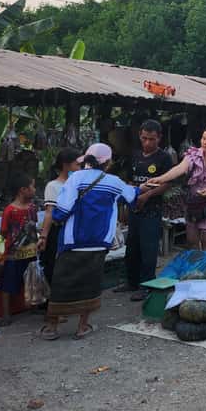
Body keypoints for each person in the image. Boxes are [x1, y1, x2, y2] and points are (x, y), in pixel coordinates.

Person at [39, 143, 139, 341]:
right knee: (90, 283)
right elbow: (132, 196)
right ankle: (82, 326)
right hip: (99, 241)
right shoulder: (114, 182)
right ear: (108, 163)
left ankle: (51, 328)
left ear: (86, 160)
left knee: (62, 282)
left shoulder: (75, 178)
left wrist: (56, 220)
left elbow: (62, 210)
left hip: (73, 240)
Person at [144, 126, 206, 251]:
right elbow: (179, 169)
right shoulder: (193, 155)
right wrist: (160, 179)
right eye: (203, 138)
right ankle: (195, 262)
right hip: (193, 202)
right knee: (191, 240)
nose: (205, 142)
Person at [114, 120, 173, 301]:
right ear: (140, 135)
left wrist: (147, 195)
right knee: (132, 247)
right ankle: (131, 281)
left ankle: (147, 285)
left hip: (152, 210)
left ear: (159, 138)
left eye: (152, 139)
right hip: (134, 209)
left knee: (149, 249)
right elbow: (129, 181)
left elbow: (167, 184)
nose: (147, 142)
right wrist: (129, 201)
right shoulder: (134, 155)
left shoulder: (164, 158)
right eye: (145, 138)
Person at [0, 172, 39, 326]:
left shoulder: (32, 208)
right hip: (14, 253)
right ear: (23, 190)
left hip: (29, 250)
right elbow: (3, 231)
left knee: (31, 279)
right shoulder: (10, 210)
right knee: (9, 282)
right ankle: (6, 314)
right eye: (32, 187)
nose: (34, 190)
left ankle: (33, 306)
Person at [38, 149, 80, 289]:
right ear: (66, 165)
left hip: (75, 231)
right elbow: (49, 213)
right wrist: (44, 237)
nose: (80, 168)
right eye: (77, 164)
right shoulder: (53, 186)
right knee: (54, 266)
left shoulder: (79, 184)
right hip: (59, 231)